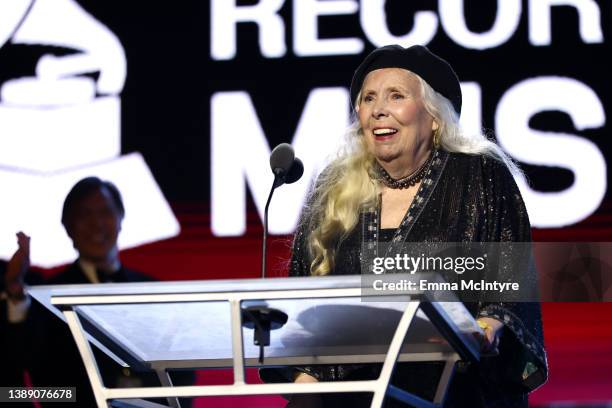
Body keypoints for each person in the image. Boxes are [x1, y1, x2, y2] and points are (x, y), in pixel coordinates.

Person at [276, 45, 548, 407]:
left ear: (434, 116)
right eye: (368, 98)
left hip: (451, 386)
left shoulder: (477, 174)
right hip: (348, 393)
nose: (378, 109)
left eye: (396, 96)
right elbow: (303, 303)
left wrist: (486, 328)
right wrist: (305, 383)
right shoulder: (333, 188)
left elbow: (509, 281)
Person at [5, 177, 193, 407]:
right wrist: (16, 292)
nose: (96, 224)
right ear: (67, 225)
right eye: (85, 215)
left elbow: (182, 369)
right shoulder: (48, 297)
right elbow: (23, 364)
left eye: (105, 212)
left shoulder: (154, 292)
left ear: (120, 219)